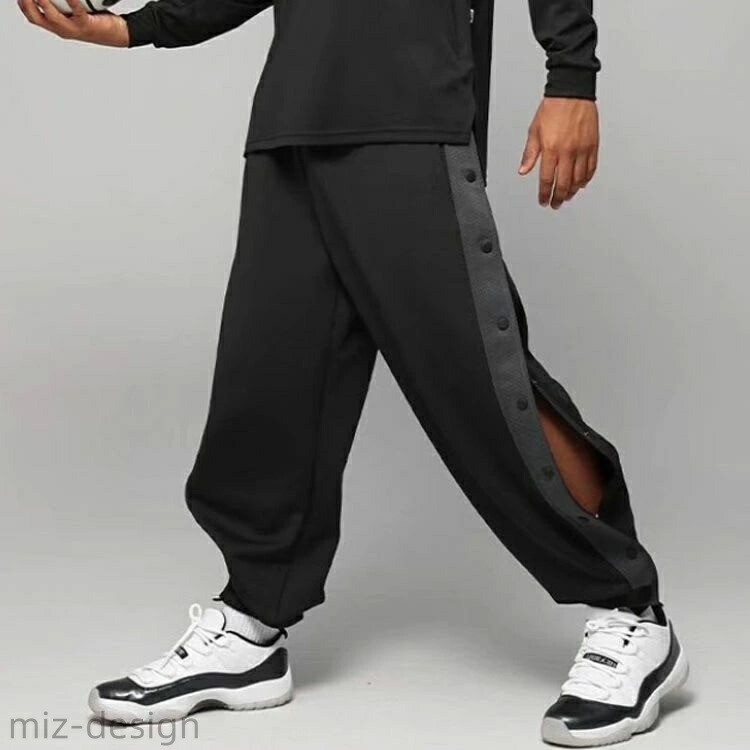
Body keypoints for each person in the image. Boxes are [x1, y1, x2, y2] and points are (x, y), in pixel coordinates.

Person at [17, 0, 689, 745]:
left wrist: (572, 77)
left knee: (476, 381)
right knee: (267, 379)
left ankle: (630, 610)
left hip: (412, 109)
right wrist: (134, 25)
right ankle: (252, 625)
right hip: (293, 119)